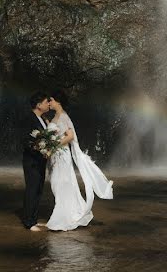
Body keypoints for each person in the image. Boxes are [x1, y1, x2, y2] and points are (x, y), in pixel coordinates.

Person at [45, 90, 114, 231]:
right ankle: (68, 211)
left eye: (50, 100)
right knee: (57, 183)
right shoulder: (55, 117)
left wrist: (53, 146)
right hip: (55, 155)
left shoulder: (64, 117)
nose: (49, 102)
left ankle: (63, 216)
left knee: (61, 183)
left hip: (61, 154)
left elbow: (70, 136)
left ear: (58, 101)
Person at [22, 91, 51, 231]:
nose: (48, 104)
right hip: (32, 160)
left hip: (40, 160)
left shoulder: (42, 119)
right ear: (39, 105)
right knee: (32, 190)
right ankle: (28, 222)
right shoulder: (28, 118)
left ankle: (33, 219)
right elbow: (25, 140)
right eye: (46, 102)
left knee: (38, 189)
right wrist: (40, 149)